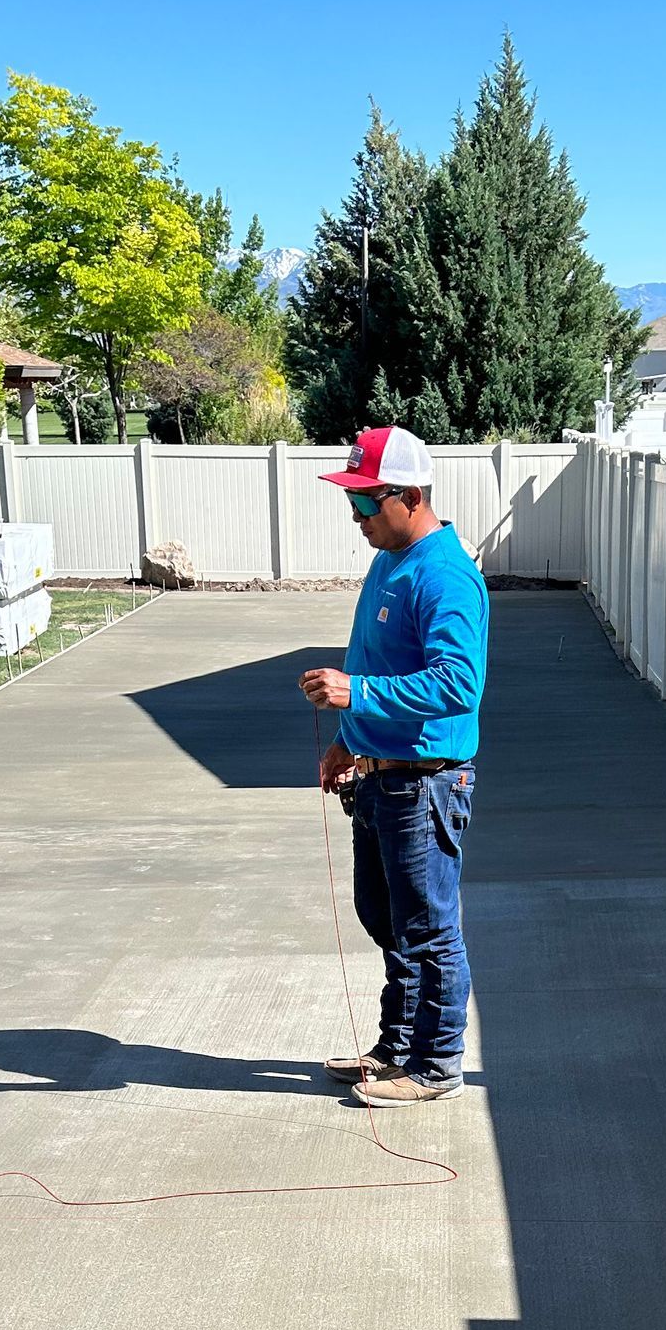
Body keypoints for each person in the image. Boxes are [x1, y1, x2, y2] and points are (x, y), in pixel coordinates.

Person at [300, 427, 489, 1105]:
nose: (356, 519)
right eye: (351, 502)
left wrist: (359, 695)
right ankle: (397, 1045)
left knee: (429, 925)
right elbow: (377, 660)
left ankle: (438, 1064)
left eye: (366, 503)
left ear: (410, 496)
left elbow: (458, 685)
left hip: (426, 782)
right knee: (384, 916)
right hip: (380, 774)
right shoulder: (390, 558)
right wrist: (347, 740)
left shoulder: (445, 575)